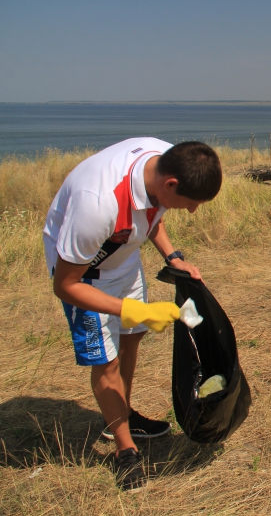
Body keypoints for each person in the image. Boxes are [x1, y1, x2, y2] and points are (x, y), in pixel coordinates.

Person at [42, 138, 222, 491]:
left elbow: (152, 213)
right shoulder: (97, 205)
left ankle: (120, 416)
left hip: (123, 260)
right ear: (170, 184)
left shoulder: (165, 160)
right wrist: (131, 308)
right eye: (190, 203)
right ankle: (126, 450)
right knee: (106, 362)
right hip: (86, 275)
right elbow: (65, 285)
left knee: (130, 339)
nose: (191, 211)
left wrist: (173, 257)